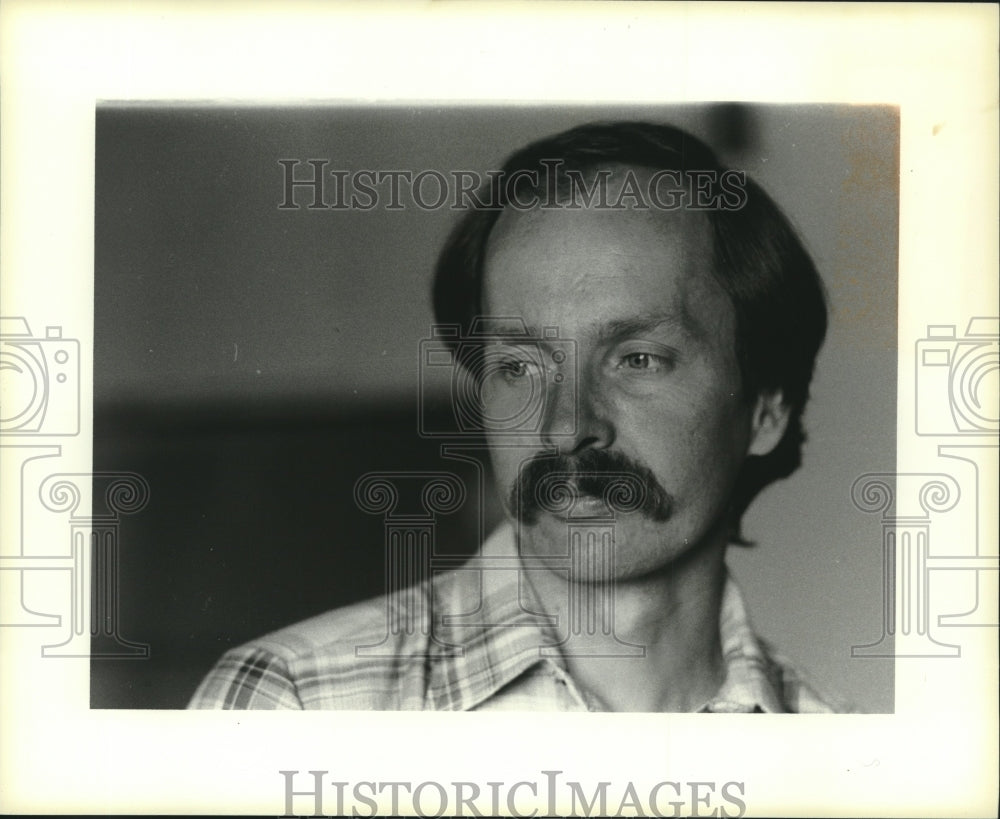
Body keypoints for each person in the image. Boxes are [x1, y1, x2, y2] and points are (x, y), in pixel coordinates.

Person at [189, 121, 850, 712]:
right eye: (521, 367)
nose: (567, 427)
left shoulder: (841, 762)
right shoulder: (293, 704)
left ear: (766, 409)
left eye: (637, 359)